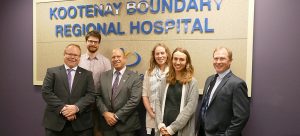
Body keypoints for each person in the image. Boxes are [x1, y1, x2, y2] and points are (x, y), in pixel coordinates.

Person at [41, 44, 97, 136]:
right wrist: (64, 109)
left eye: (76, 55)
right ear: (64, 55)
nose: (72, 57)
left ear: (79, 58)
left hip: (81, 124)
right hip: (55, 123)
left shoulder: (87, 74)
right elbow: (46, 92)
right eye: (69, 54)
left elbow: (90, 95)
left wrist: (75, 108)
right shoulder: (52, 72)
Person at [195, 47, 250, 136]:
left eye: (222, 58)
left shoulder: (237, 84)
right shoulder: (209, 79)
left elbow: (241, 117)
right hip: (203, 132)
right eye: (216, 58)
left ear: (230, 61)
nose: (218, 61)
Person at [96, 48, 143, 136]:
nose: (116, 59)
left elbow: (134, 100)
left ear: (125, 59)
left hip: (127, 125)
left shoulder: (135, 77)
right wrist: (105, 113)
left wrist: (116, 116)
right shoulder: (103, 76)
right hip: (107, 124)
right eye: (113, 57)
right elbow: (98, 96)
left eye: (119, 56)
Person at [155, 47, 199, 136]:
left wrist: (171, 129)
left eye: (181, 59)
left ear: (187, 62)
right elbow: (157, 102)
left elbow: (190, 109)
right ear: (171, 60)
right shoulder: (164, 80)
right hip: (163, 128)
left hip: (181, 129)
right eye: (175, 59)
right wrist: (160, 125)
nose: (178, 62)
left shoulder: (192, 82)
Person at [79, 30, 111, 136]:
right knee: (82, 131)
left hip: (98, 102)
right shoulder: (79, 60)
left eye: (96, 42)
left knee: (98, 132)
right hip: (81, 101)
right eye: (90, 41)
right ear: (86, 42)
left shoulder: (106, 62)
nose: (93, 44)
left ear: (99, 44)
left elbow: (107, 84)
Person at [142, 43, 171, 136]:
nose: (160, 56)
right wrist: (151, 113)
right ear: (154, 56)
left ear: (167, 54)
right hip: (152, 114)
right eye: (157, 54)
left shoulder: (173, 71)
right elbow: (144, 94)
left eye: (162, 53)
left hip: (168, 114)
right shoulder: (149, 72)